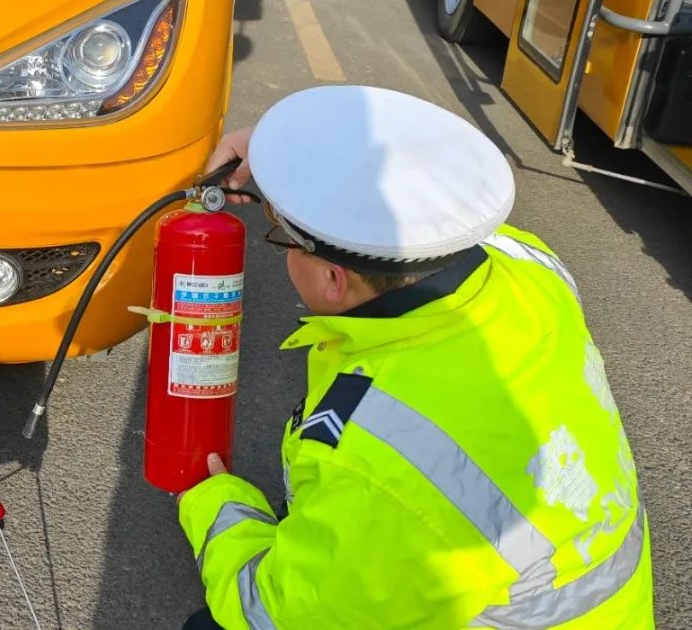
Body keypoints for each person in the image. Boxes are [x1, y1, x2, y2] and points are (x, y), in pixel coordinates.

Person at [175, 86, 653, 629]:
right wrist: (282, 153)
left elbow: (270, 614)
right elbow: (406, 171)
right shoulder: (525, 262)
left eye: (279, 235)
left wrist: (215, 503)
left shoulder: (384, 460)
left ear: (334, 279)